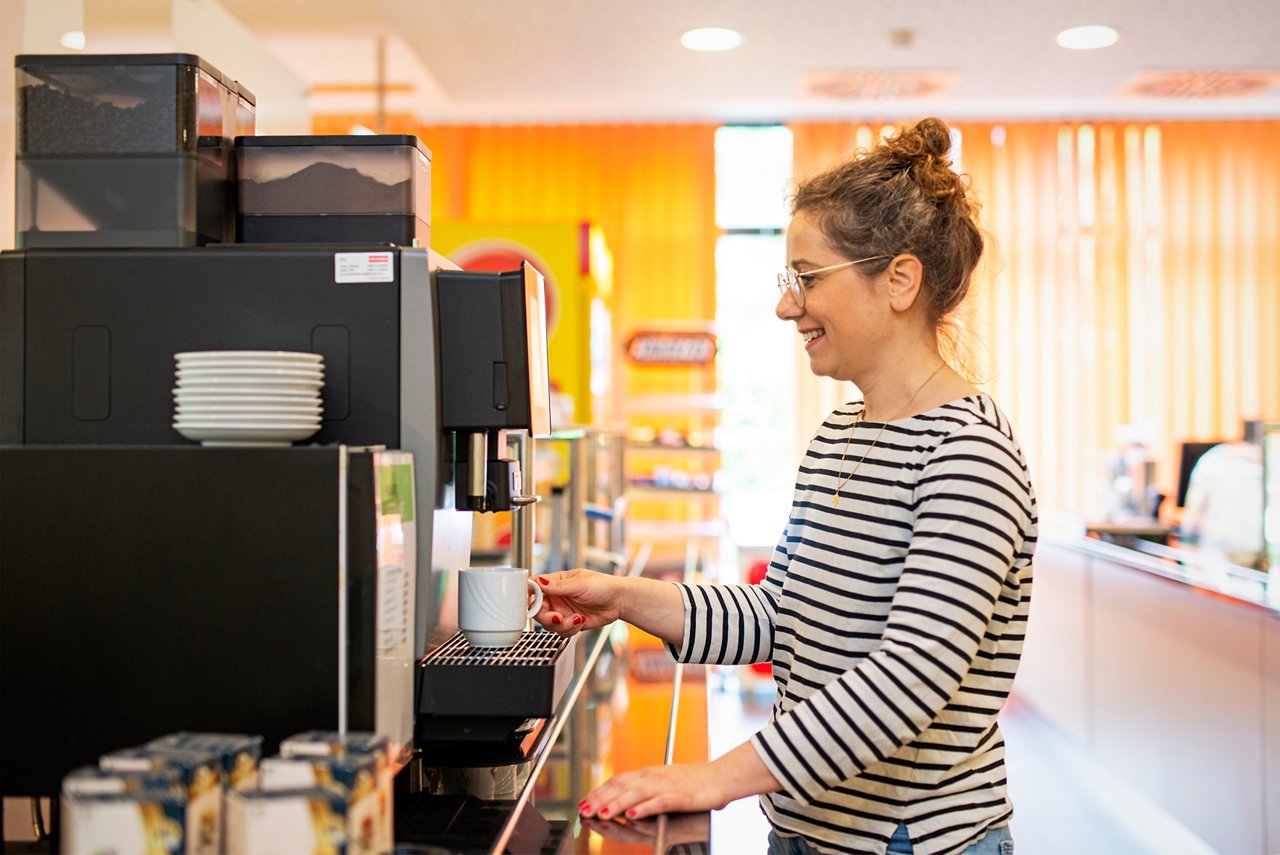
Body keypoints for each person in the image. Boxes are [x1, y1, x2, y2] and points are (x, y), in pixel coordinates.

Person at [534, 116, 1037, 855]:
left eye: (806, 279)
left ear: (898, 280)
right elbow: (785, 614)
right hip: (808, 830)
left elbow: (906, 681)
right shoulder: (840, 437)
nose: (786, 305)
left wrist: (715, 778)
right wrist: (624, 598)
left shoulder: (968, 455)